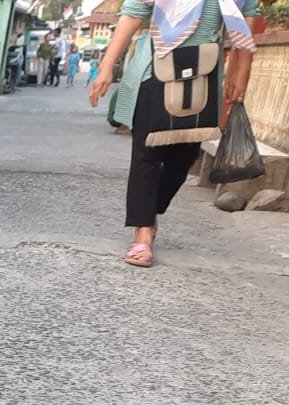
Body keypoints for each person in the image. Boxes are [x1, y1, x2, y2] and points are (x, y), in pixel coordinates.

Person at [89, 0, 256, 267]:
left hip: (202, 76)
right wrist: (107, 65)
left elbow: (246, 18)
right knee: (146, 155)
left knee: (184, 157)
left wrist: (242, 70)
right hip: (154, 70)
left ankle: (147, 209)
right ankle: (143, 232)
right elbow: (132, 13)